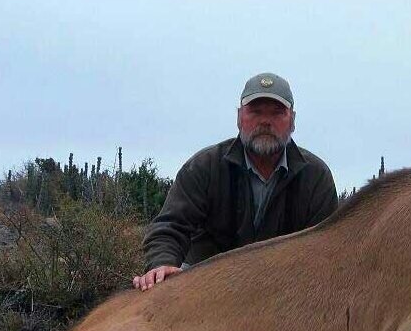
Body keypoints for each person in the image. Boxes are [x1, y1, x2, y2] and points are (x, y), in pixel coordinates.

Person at [133, 72, 338, 290]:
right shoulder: (205, 166)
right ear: (239, 117)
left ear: (293, 121)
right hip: (207, 288)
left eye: (277, 113)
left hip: (284, 291)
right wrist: (162, 264)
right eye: (256, 112)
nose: (265, 121)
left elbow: (327, 248)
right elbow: (171, 226)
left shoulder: (316, 177)